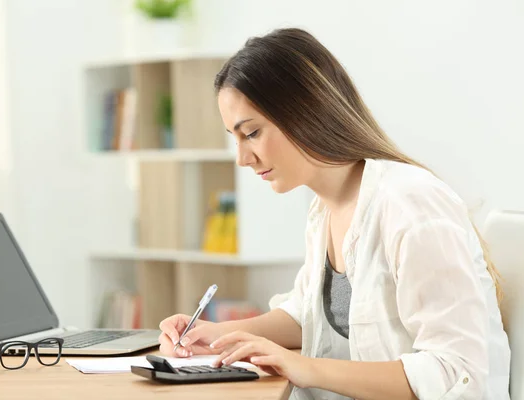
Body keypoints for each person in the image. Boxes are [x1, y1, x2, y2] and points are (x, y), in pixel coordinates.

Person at [158, 28, 511, 400]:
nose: (243, 159)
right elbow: (307, 316)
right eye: (236, 137)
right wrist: (213, 336)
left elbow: (456, 370)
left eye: (252, 133)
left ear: (304, 111)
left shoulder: (410, 203)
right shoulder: (326, 208)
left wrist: (305, 368)